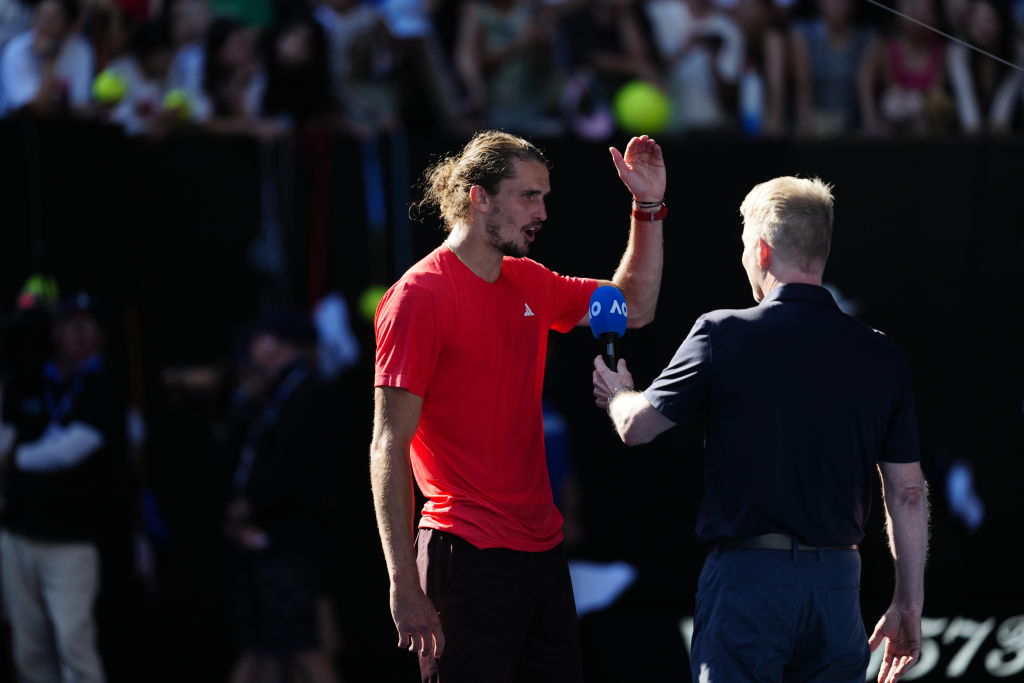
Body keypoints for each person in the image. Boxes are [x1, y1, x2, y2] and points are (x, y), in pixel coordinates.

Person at [591, 176, 928, 683]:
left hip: (749, 582)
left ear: (763, 250)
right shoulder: (882, 354)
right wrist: (908, 603)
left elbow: (637, 428)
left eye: (746, 245)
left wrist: (618, 394)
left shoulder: (722, 332)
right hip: (839, 585)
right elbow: (906, 493)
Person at [370, 129, 666, 682]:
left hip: (543, 555)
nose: (543, 212)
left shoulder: (528, 279)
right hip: (464, 555)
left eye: (545, 197)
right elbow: (388, 443)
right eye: (529, 196)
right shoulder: (418, 297)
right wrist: (403, 582)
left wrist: (647, 207)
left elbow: (635, 307)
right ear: (479, 197)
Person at [0, 292, 121, 683]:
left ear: (102, 335)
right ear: (56, 331)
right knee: (28, 646)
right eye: (71, 325)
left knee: (73, 639)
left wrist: (15, 459)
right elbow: (5, 432)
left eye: (89, 327)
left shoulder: (105, 387)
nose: (80, 335)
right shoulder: (30, 381)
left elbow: (71, 450)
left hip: (72, 539)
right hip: (18, 532)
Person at [223, 310, 342, 683]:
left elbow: (295, 469)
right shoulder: (268, 394)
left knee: (304, 648)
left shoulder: (308, 393)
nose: (253, 349)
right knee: (265, 651)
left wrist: (252, 508)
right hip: (267, 537)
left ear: (278, 343)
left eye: (260, 339)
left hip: (290, 540)